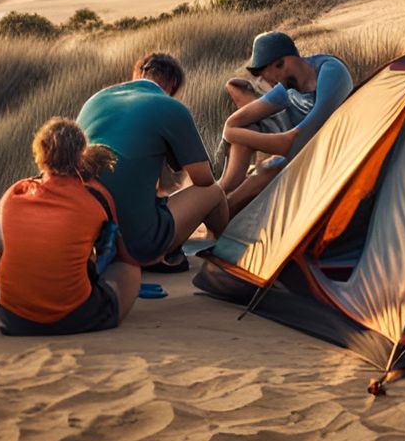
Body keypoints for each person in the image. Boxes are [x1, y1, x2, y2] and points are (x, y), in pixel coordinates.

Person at [76, 52, 228, 265]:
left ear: (136, 75)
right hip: (135, 244)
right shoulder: (170, 107)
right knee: (213, 192)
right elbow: (204, 180)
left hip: (89, 235)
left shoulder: (96, 100)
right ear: (173, 84)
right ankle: (224, 251)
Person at [0, 118, 141, 336]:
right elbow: (123, 253)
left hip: (12, 318)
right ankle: (106, 314)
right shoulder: (95, 199)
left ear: (39, 153)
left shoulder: (16, 192)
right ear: (81, 154)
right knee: (130, 269)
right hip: (71, 318)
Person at [219, 31, 354, 213]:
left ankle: (221, 212)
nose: (268, 84)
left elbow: (294, 142)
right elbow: (235, 123)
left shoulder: (330, 72)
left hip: (328, 149)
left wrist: (233, 132)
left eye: (269, 77)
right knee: (247, 130)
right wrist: (233, 131)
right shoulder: (286, 86)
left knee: (269, 169)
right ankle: (222, 191)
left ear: (282, 63)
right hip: (296, 145)